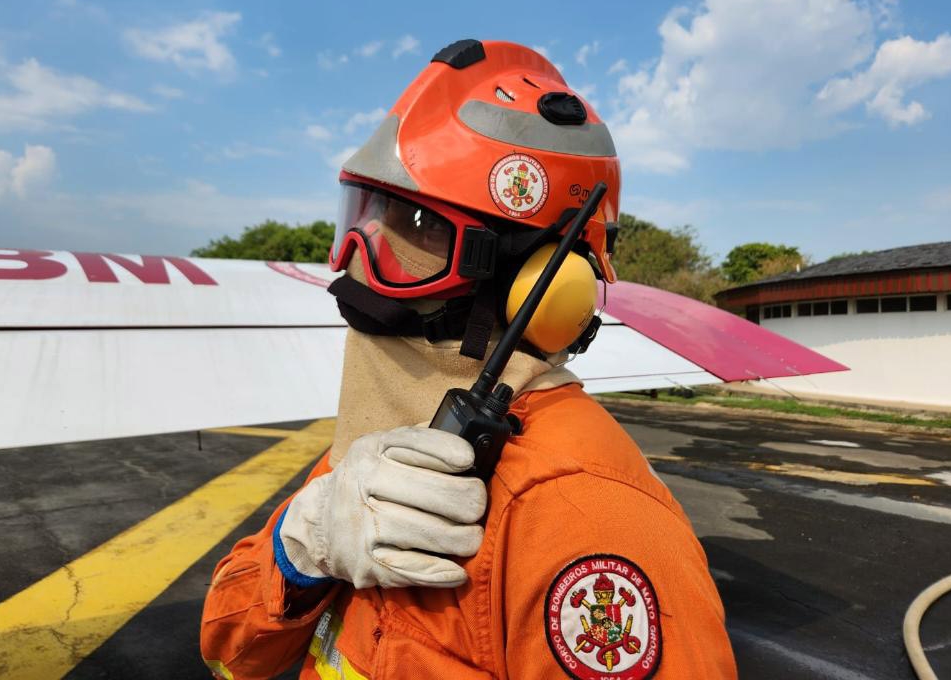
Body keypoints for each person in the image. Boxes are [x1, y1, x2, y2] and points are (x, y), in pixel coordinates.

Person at [200, 39, 737, 680]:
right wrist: (300, 547)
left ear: (542, 288)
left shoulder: (588, 521)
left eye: (416, 227)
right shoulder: (382, 453)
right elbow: (231, 653)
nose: (355, 257)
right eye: (362, 216)